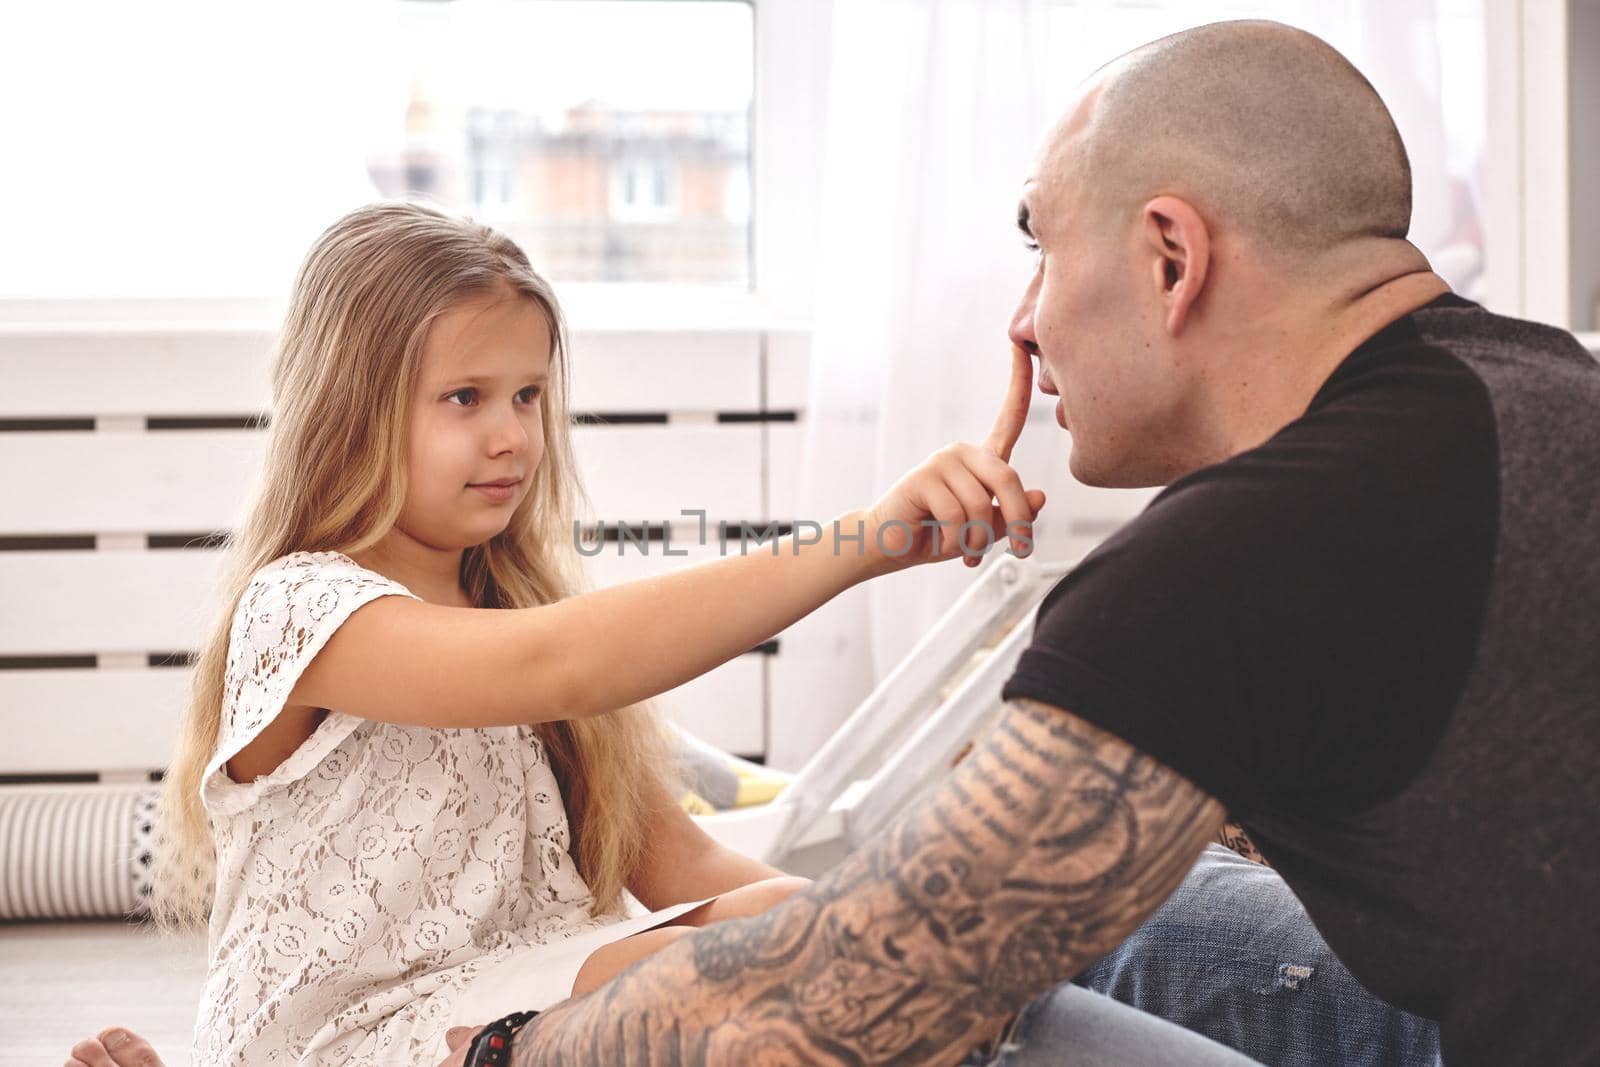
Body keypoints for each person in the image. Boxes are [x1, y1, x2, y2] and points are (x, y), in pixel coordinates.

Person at [407, 18, 1590, 1066]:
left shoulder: (1241, 551)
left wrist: (527, 1047)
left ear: (1170, 258)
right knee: (1131, 902)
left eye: (1041, 246)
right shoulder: (1545, 385)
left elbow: (852, 997)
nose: (1023, 321)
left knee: (959, 984)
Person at [63, 200, 1047, 1067]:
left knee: (800, 928)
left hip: (518, 993)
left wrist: (869, 926)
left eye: (528, 394)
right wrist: (867, 542)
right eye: (465, 397)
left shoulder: (520, 616)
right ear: (348, 410)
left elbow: (687, 871)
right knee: (739, 974)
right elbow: (558, 660)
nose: (513, 435)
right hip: (363, 1031)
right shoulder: (304, 609)